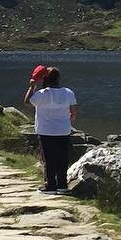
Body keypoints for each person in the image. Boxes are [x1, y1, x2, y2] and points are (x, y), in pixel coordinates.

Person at [24, 63, 78, 193]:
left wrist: (32, 87)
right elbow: (74, 111)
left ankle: (50, 185)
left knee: (48, 159)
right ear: (58, 79)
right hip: (63, 130)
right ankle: (62, 185)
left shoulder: (41, 94)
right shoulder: (68, 92)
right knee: (62, 158)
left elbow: (27, 102)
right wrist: (70, 119)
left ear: (44, 79)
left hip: (46, 131)